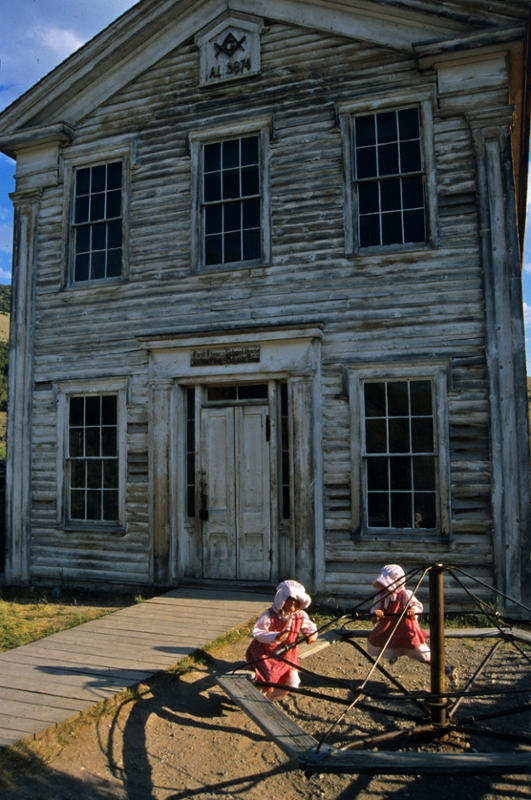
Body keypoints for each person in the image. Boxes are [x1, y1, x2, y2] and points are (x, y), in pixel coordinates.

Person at [245, 579, 317, 701]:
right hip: (267, 653)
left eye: (296, 603)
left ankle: (272, 697)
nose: (292, 605)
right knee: (268, 676)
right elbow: (258, 632)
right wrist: (274, 637)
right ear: (281, 600)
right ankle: (254, 698)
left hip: (288, 655)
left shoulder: (300, 615)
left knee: (292, 681)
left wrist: (310, 634)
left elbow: (309, 626)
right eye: (289, 601)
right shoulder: (269, 615)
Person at [367, 564, 430, 664]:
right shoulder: (381, 596)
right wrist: (376, 612)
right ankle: (393, 654)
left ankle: (432, 662)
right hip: (388, 626)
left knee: (415, 646)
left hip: (405, 627)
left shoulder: (405, 594)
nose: (385, 586)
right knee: (380, 639)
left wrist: (413, 610)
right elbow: (375, 607)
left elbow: (417, 605)